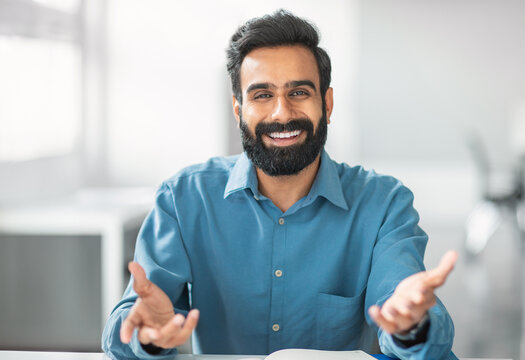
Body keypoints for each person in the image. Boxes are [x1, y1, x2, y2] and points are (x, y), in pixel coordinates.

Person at [102, 9, 457, 360]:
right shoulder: (183, 199)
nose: (281, 114)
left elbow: (410, 311)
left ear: (327, 103)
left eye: (299, 92)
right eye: (262, 95)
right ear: (239, 110)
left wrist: (412, 325)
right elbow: (128, 326)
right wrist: (148, 337)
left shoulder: (384, 204)